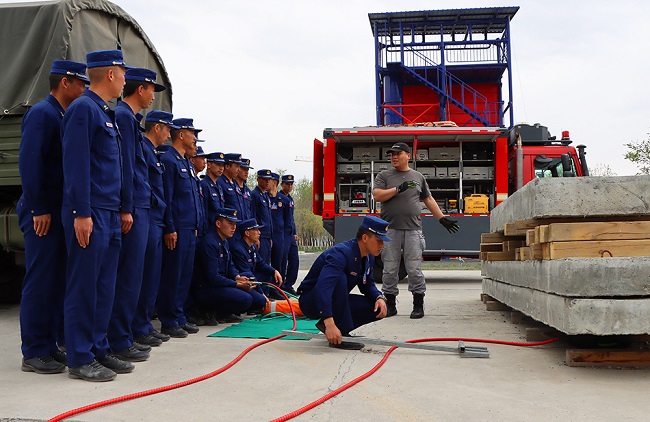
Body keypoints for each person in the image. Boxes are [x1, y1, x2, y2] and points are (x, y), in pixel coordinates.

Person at [61, 50, 132, 381]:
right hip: (90, 214)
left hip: (109, 213)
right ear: (110, 75)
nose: (124, 79)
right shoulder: (83, 110)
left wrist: (119, 209)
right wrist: (82, 213)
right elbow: (76, 166)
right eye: (122, 72)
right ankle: (79, 356)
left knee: (104, 287)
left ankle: (98, 348)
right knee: (84, 287)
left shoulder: (105, 113)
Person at [17, 59, 88, 375]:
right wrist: (38, 208)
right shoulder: (42, 114)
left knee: (55, 281)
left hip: (56, 210)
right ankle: (33, 351)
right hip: (42, 212)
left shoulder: (60, 114)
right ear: (65, 83)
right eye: (80, 83)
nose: (85, 88)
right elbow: (29, 165)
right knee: (40, 280)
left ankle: (48, 346)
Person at [107, 67, 165, 362]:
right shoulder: (124, 118)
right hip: (134, 208)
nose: (154, 96)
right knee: (127, 277)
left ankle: (125, 335)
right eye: (151, 89)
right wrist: (127, 207)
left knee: (135, 276)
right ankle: (119, 338)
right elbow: (126, 167)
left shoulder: (130, 120)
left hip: (141, 206)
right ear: (140, 89)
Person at [372, 142, 459, 319]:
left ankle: (418, 304)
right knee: (389, 269)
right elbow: (377, 195)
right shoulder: (384, 175)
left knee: (414, 269)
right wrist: (398, 189)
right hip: (390, 230)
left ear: (408, 155)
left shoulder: (418, 177)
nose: (394, 157)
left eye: (398, 154)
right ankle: (390, 304)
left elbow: (428, 200)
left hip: (413, 230)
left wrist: (442, 218)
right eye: (391, 155)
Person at [298, 216, 391, 350]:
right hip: (312, 301)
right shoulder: (341, 254)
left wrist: (379, 297)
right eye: (379, 241)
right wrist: (329, 321)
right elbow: (323, 288)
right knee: (339, 278)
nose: (382, 246)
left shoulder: (368, 257)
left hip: (334, 299)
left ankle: (338, 329)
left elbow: (367, 284)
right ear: (365, 238)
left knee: (377, 307)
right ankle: (338, 330)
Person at [131, 110, 177, 347]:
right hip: (147, 218)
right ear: (157, 127)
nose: (169, 134)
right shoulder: (145, 150)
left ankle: (144, 324)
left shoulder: (154, 153)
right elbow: (144, 185)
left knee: (151, 278)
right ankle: (137, 326)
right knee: (141, 276)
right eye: (167, 129)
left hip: (156, 220)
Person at [157, 118, 203, 338]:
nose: (194, 137)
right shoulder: (169, 160)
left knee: (184, 275)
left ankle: (179, 316)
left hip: (189, 227)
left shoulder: (185, 162)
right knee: (172, 276)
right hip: (177, 227)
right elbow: (167, 197)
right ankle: (168, 320)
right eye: (192, 133)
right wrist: (170, 227)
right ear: (181, 134)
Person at [194, 208, 265, 321]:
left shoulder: (225, 241)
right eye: (230, 223)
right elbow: (213, 277)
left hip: (221, 283)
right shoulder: (210, 243)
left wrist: (238, 277)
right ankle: (212, 312)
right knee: (245, 299)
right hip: (208, 288)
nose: (234, 227)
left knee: (256, 298)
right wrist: (237, 284)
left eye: (235, 224)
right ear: (218, 223)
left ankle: (223, 312)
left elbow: (230, 266)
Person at [230, 218, 283, 311]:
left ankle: (262, 298)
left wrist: (274, 271)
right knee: (260, 300)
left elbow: (261, 263)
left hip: (252, 279)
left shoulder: (252, 246)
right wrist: (261, 293)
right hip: (244, 281)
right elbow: (247, 274)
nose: (259, 233)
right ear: (247, 233)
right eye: (256, 230)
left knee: (269, 273)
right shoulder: (238, 249)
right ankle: (257, 303)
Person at [278, 174, 299, 295]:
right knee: (283, 260)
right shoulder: (279, 198)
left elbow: (291, 218)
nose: (290, 186)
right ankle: (281, 286)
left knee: (294, 261)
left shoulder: (290, 199)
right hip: (283, 234)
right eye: (287, 184)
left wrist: (295, 232)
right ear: (282, 185)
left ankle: (289, 284)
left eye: (291, 184)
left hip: (290, 235)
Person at [268, 172, 285, 300]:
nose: (268, 182)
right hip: (266, 234)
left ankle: (277, 288)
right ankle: (267, 289)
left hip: (279, 234)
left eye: (271, 180)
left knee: (278, 263)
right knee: (266, 262)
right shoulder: (264, 197)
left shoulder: (282, 199)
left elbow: (287, 219)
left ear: (275, 183)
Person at [250, 169, 274, 266]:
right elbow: (253, 216)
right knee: (260, 265)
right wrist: (255, 238)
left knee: (267, 264)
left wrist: (270, 237)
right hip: (260, 236)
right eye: (265, 179)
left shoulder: (265, 195)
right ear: (258, 179)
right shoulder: (255, 195)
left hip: (267, 236)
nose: (267, 182)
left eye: (269, 180)